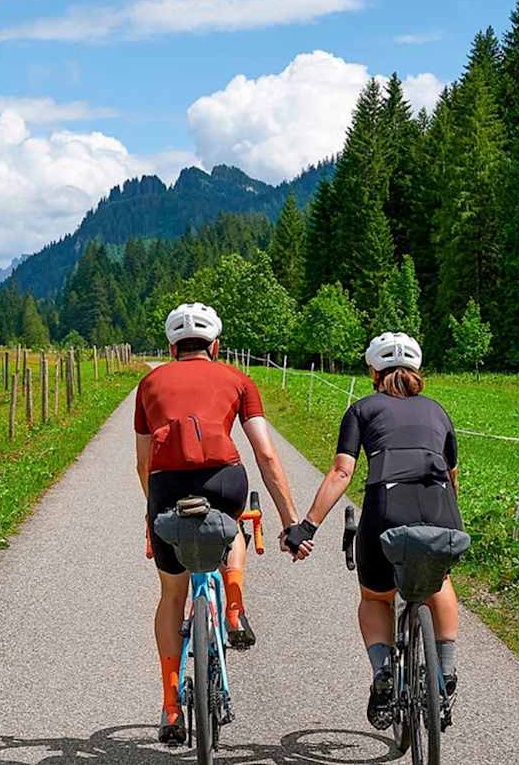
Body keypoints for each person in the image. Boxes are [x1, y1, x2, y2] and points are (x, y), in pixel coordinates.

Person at [134, 302, 306, 744]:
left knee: (172, 594)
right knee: (231, 525)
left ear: (172, 347)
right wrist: (290, 522)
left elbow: (143, 463)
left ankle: (171, 708)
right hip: (224, 481)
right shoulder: (238, 379)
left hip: (167, 488)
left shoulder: (149, 382)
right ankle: (233, 607)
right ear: (216, 344)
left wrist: (154, 513)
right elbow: (266, 454)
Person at [284, 331, 463, 728]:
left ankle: (383, 675)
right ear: (418, 371)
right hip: (440, 510)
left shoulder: (362, 409)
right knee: (440, 583)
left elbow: (342, 471)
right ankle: (446, 676)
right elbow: (452, 476)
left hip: (385, 510)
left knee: (375, 597)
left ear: (373, 371)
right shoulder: (438, 412)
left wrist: (307, 526)